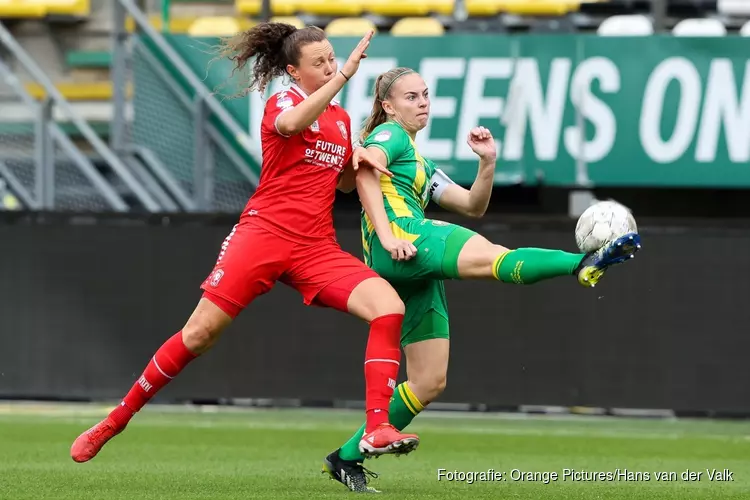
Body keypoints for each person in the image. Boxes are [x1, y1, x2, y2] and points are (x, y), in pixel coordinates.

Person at [70, 25, 421, 464]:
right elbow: (292, 125)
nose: (331, 65)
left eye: (333, 58)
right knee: (200, 334)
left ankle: (377, 428)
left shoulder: (341, 119)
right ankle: (115, 420)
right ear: (294, 71)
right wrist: (344, 76)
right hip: (264, 235)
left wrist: (358, 159)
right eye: (321, 63)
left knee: (388, 307)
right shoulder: (284, 102)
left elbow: (345, 185)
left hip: (315, 246)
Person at [321, 67, 641, 492]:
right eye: (411, 97)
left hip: (407, 263)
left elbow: (472, 205)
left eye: (426, 95)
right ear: (388, 106)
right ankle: (581, 264)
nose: (423, 104)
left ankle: (345, 458)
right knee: (497, 259)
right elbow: (364, 169)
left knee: (428, 382)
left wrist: (487, 163)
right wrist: (387, 233)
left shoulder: (420, 161)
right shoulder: (390, 136)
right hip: (405, 240)